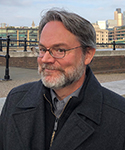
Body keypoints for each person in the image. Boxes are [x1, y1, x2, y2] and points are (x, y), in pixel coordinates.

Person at [0, 8, 125, 150]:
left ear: (88, 54)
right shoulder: (15, 100)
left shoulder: (119, 117)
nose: (45, 59)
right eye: (42, 49)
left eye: (60, 50)